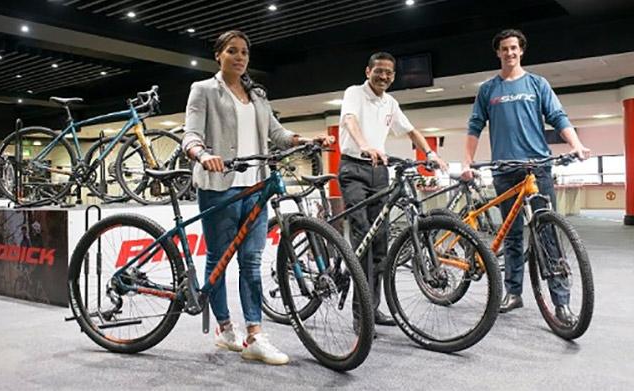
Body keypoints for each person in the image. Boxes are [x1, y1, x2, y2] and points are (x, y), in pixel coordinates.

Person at [182, 30, 332, 365]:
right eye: (232, 51)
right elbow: (190, 133)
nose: (239, 57)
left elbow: (276, 134)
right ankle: (224, 327)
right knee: (218, 259)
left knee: (251, 263)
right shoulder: (204, 90)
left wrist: (305, 139)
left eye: (244, 52)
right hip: (219, 186)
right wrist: (201, 153)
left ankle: (255, 334)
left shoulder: (258, 94)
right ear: (218, 55)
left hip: (257, 188)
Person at [460, 29, 591, 324]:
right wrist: (466, 162)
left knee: (548, 234)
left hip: (539, 168)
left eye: (514, 48)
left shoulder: (536, 84)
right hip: (504, 170)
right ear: (498, 53)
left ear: (522, 51)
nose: (510, 53)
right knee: (512, 235)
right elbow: (474, 126)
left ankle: (561, 302)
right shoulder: (488, 89)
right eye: (504, 48)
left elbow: (558, 117)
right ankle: (513, 292)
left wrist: (576, 145)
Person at [338, 52, 448, 329]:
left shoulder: (390, 103)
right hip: (354, 168)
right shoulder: (354, 93)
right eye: (379, 71)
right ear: (368, 71)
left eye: (389, 73)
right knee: (363, 237)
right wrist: (364, 144)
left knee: (380, 245)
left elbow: (411, 131)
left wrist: (430, 153)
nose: (384, 76)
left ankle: (373, 309)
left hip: (379, 171)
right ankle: (361, 317)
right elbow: (350, 121)